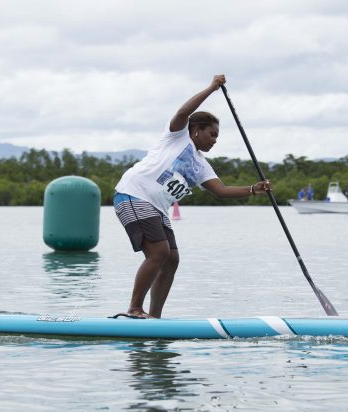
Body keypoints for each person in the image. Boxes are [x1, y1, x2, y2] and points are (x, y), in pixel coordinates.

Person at [113, 74, 271, 319]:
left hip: (157, 208)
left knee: (172, 259)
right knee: (159, 253)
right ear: (196, 130)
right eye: (212, 134)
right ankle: (134, 309)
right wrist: (211, 88)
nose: (215, 140)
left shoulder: (201, 164)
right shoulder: (176, 136)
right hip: (134, 194)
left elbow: (221, 191)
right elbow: (183, 112)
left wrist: (253, 189)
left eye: (217, 136)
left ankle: (154, 317)